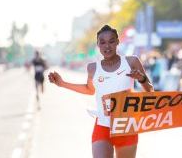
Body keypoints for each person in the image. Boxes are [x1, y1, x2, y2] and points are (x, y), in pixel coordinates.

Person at [48, 25, 154, 158]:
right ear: (98, 45)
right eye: (102, 42)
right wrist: (62, 83)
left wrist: (142, 79)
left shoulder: (131, 61)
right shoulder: (92, 68)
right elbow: (89, 90)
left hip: (126, 126)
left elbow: (150, 91)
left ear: (117, 42)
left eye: (111, 41)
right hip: (103, 126)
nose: (107, 46)